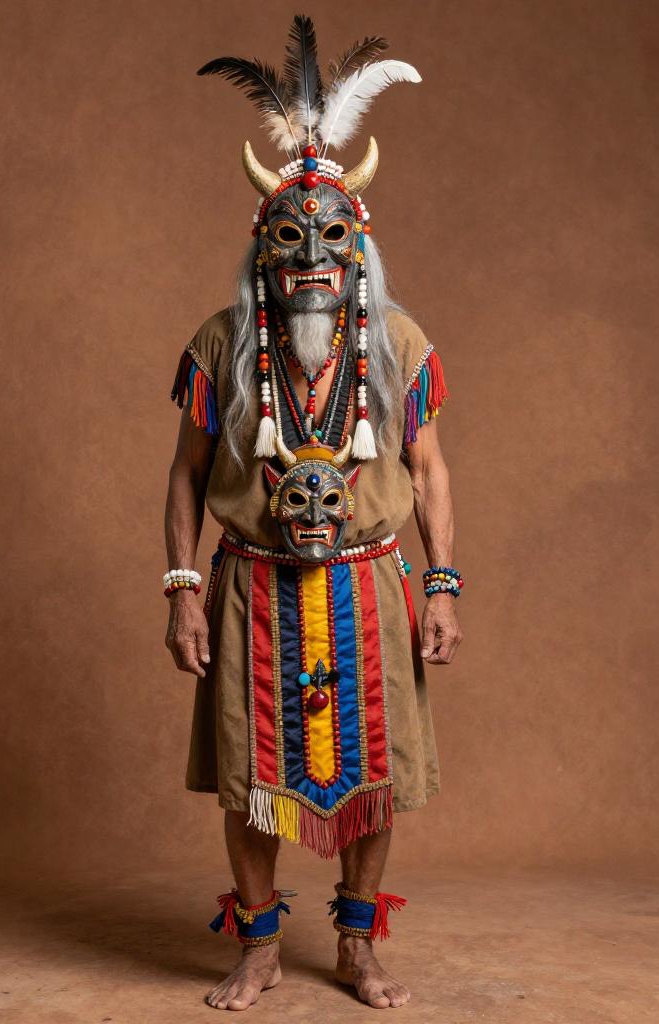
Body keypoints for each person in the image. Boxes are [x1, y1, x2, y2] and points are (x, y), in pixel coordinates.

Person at [163, 16, 463, 1011]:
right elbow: (184, 476)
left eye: (332, 238)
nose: (311, 260)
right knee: (251, 775)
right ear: (263, 247)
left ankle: (356, 947)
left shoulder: (399, 344)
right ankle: (256, 949)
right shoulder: (220, 345)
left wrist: (442, 585)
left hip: (367, 588)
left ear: (357, 246)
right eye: (289, 239)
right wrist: (182, 590)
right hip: (252, 592)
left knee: (372, 776)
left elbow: (429, 470)